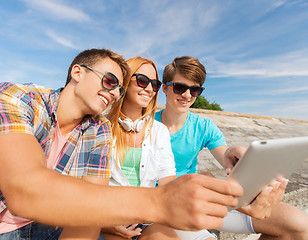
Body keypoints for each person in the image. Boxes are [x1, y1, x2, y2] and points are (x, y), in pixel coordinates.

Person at [0, 48, 244, 240]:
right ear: (77, 73)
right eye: (109, 81)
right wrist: (157, 203)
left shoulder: (99, 130)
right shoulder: (19, 98)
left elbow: (91, 206)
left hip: (59, 223)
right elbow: (24, 190)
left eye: (118, 87)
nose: (115, 92)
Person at [155, 56, 308, 240]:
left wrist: (237, 156)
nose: (187, 95)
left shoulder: (204, 126)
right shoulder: (148, 125)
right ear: (164, 87)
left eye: (195, 90)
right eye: (180, 87)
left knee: (298, 225)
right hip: (168, 204)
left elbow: (226, 155)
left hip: (203, 200)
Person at [100, 56, 180, 240]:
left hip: (147, 216)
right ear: (125, 82)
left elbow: (168, 180)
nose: (150, 89)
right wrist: (104, 221)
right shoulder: (102, 126)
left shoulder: (159, 131)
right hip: (108, 214)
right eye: (143, 81)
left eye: (155, 84)